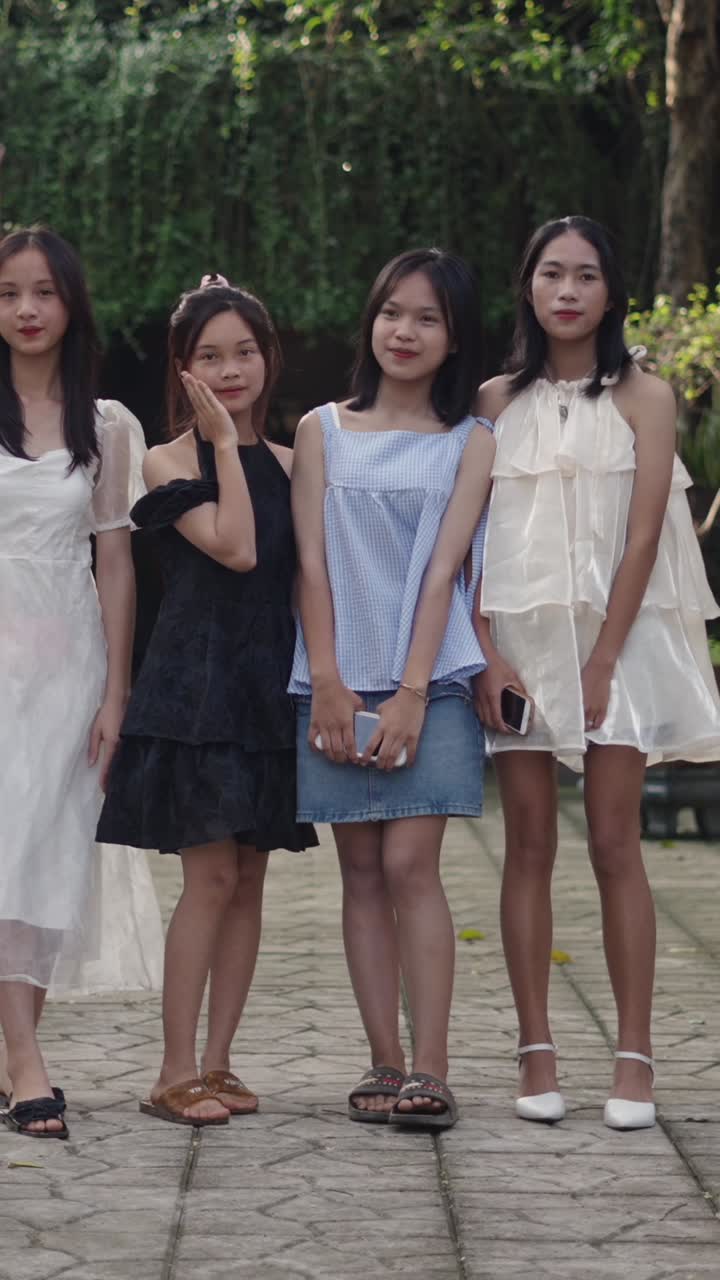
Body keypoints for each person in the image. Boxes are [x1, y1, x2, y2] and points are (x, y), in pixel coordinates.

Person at [473, 215, 720, 1130]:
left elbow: (646, 535)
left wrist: (604, 658)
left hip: (620, 642)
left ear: (611, 292)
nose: (567, 290)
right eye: (551, 273)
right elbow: (469, 543)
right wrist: (488, 653)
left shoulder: (645, 396)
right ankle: (535, 1051)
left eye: (585, 274)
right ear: (529, 287)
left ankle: (635, 1058)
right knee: (527, 846)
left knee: (616, 844)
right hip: (520, 645)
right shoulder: (494, 400)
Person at [98, 275, 317, 1126]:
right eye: (211, 356)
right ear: (183, 368)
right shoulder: (167, 460)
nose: (231, 370)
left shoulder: (297, 463)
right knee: (211, 875)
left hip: (268, 689)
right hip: (196, 688)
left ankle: (220, 1063)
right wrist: (224, 442)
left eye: (245, 352)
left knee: (251, 876)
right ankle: (172, 1070)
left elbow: (301, 579)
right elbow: (235, 546)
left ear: (269, 356)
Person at [289, 248, 495, 1129]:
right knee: (362, 872)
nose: (404, 332)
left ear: (454, 337)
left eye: (427, 318)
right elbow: (308, 564)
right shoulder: (320, 430)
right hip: (332, 677)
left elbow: (446, 569)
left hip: (431, 679)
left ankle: (432, 1068)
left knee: (413, 866)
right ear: (370, 321)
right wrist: (328, 682)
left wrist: (411, 693)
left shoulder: (471, 441)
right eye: (391, 313)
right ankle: (383, 1060)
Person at [0, 225, 162, 1140]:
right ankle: (26, 1061)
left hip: (68, 663)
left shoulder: (107, 425)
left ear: (72, 305)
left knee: (46, 852)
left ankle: (16, 1049)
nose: (26, 310)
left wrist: (116, 692)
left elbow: (116, 563)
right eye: (8, 293)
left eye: (44, 292)